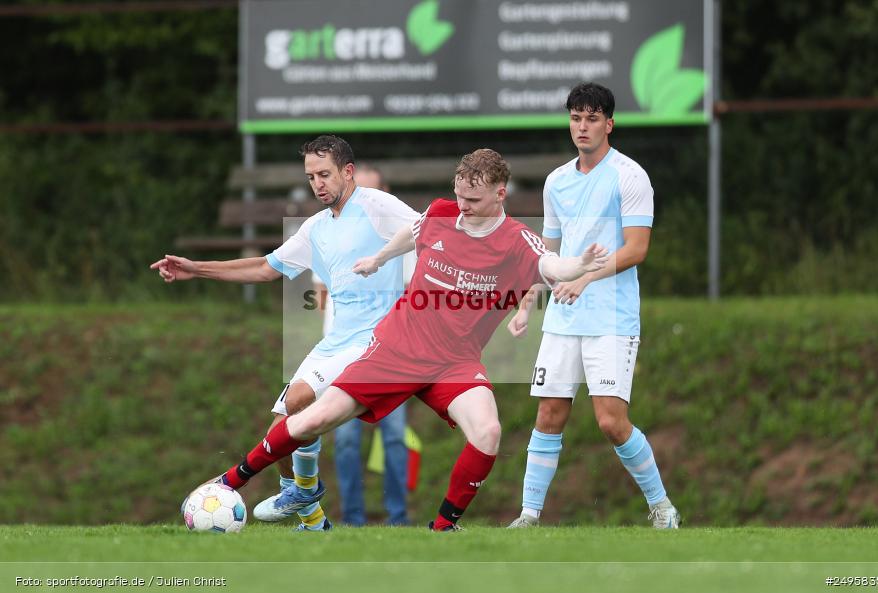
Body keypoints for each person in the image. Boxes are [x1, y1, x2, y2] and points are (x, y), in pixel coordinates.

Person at [208, 148, 610, 531]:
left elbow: (552, 265)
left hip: (454, 363)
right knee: (313, 418)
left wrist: (581, 264)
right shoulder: (441, 212)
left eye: (472, 199)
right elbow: (411, 232)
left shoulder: (518, 239)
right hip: (396, 349)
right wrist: (380, 259)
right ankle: (229, 482)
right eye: (459, 196)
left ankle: (443, 527)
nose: (462, 206)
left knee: (488, 432)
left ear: (500, 193)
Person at [151, 135, 419, 531]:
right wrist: (197, 269)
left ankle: (306, 492)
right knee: (280, 426)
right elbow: (265, 267)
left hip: (376, 339)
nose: (317, 184)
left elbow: (429, 227)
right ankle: (311, 516)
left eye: (325, 174)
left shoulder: (377, 205)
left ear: (348, 172)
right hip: (336, 341)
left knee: (300, 401)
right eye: (311, 177)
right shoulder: (316, 228)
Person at [505, 82, 680, 529]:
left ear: (609, 124)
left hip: (612, 317)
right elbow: (549, 254)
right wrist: (527, 302)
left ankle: (662, 507)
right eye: (576, 118)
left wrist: (585, 278)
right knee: (549, 413)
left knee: (610, 421)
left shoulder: (630, 176)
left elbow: (637, 248)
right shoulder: (557, 182)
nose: (582, 127)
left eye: (592, 118)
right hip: (564, 316)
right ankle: (528, 516)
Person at [314, 163, 411, 526]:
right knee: (346, 442)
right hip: (342, 357)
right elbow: (322, 295)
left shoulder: (402, 243)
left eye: (373, 195)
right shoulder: (329, 235)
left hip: (389, 355)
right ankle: (353, 520)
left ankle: (399, 518)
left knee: (396, 439)